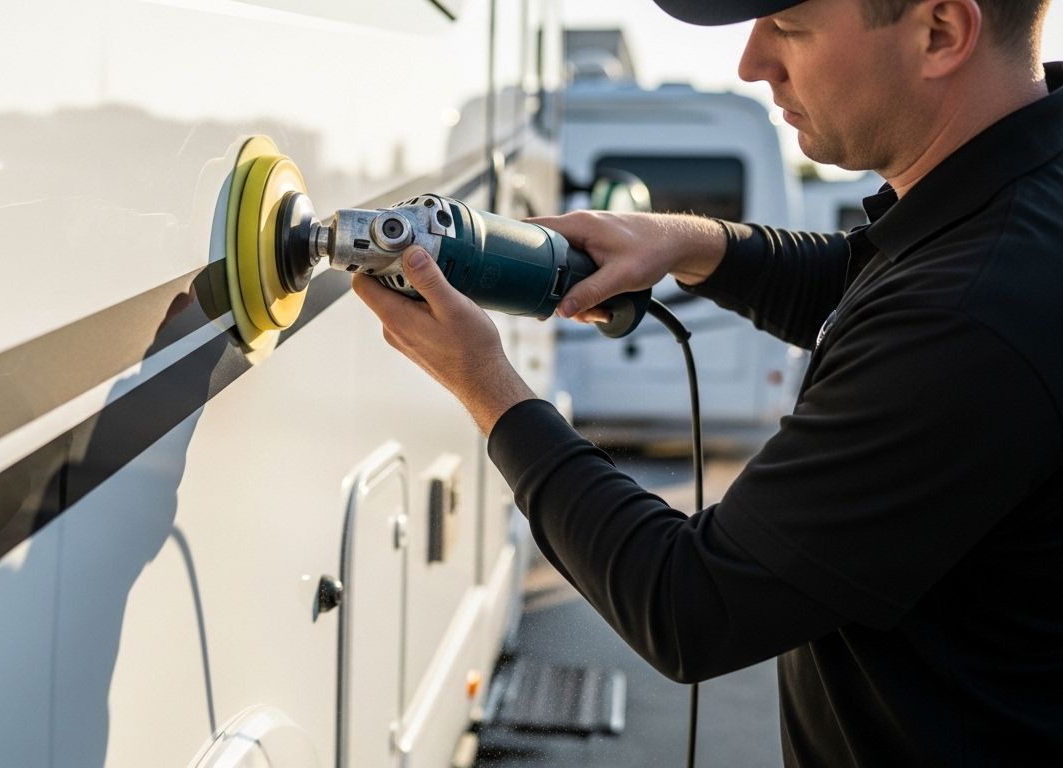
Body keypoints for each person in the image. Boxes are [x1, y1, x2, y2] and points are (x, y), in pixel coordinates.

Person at [353, 0, 1063, 764]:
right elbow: (863, 280)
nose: (752, 62)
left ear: (941, 32)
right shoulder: (1013, 198)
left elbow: (691, 603)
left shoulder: (973, 310)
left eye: (788, 27)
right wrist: (687, 241)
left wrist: (487, 387)